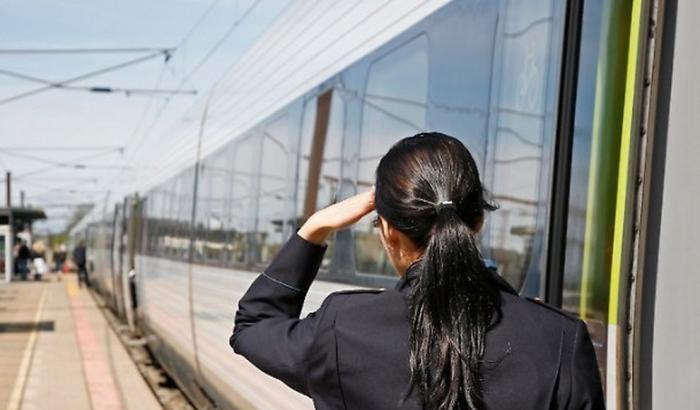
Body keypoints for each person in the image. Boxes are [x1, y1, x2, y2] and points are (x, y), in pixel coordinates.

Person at [231, 133, 604, 409]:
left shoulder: (342, 329)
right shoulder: (561, 340)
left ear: (389, 231)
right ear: (478, 222)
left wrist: (314, 230)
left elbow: (253, 326)